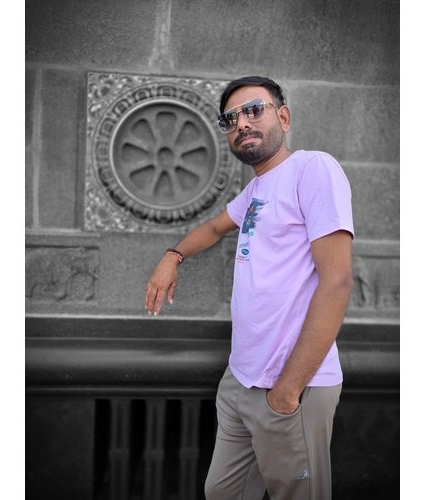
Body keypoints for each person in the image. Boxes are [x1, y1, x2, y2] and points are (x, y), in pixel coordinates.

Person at [144, 76, 354, 500]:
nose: (241, 123)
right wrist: (173, 255)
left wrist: (287, 393)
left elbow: (337, 282)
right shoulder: (256, 190)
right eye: (230, 119)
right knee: (222, 492)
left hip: (290, 389)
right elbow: (214, 227)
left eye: (254, 110)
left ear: (283, 117)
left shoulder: (312, 169)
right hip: (240, 380)